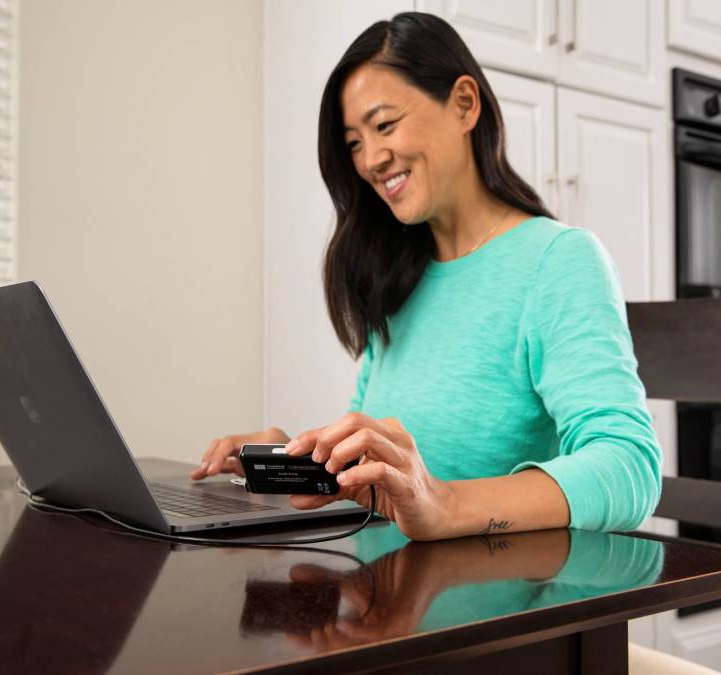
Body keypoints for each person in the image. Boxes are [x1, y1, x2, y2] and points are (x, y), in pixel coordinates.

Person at [191, 12, 661, 541]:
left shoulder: (559, 261)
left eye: (385, 125)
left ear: (464, 104)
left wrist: (445, 504)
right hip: (377, 599)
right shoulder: (397, 278)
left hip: (478, 608)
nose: (371, 159)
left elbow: (629, 467)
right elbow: (388, 479)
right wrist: (301, 461)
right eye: (353, 143)